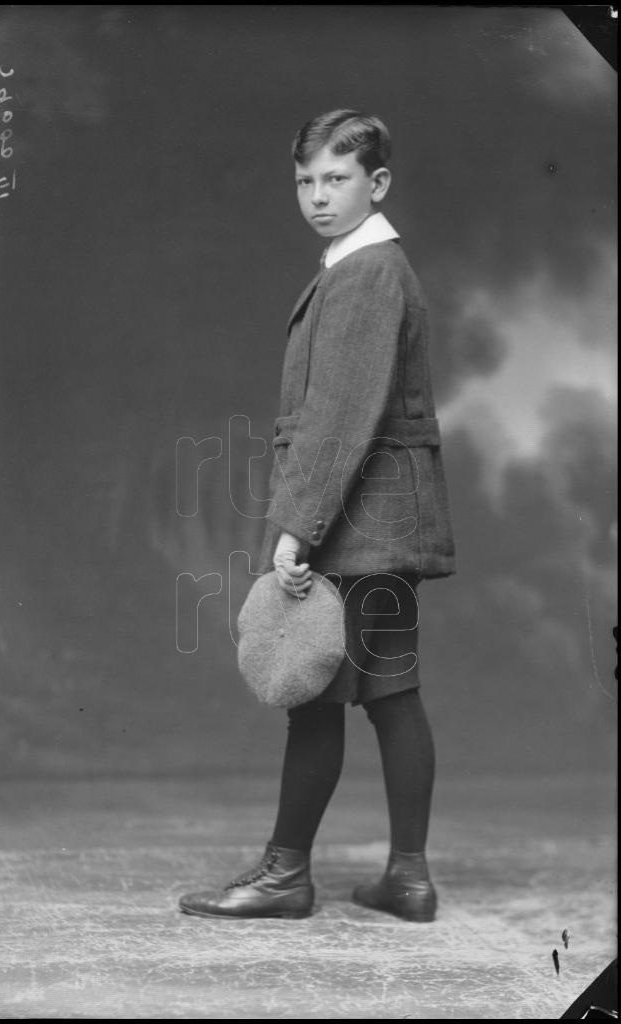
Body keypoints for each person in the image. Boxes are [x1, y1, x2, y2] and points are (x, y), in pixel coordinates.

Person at [179, 109, 456, 921]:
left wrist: (292, 533)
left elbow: (340, 417)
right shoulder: (363, 264)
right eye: (304, 180)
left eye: (335, 179)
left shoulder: (367, 271)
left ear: (376, 184)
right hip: (385, 524)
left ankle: (284, 875)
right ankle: (407, 878)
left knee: (313, 696)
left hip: (355, 524)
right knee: (392, 695)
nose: (316, 195)